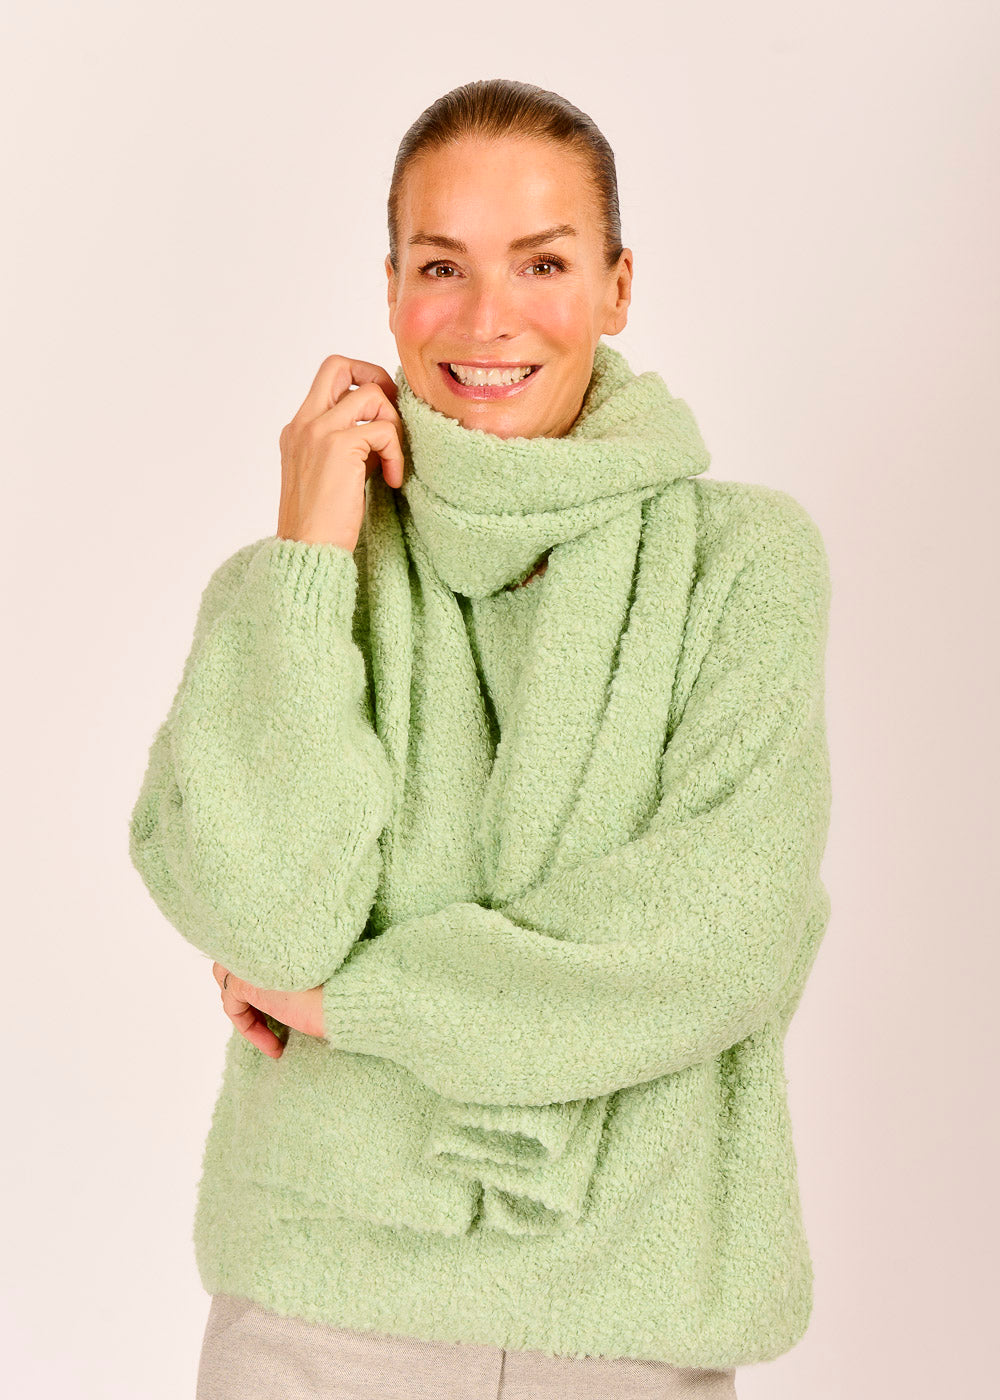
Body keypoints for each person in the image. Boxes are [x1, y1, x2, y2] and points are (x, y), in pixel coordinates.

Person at [129, 78, 833, 1399]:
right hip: (315, 1311)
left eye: (543, 263)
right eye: (441, 264)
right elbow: (269, 917)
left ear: (618, 287)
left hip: (624, 1319)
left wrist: (354, 1003)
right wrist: (307, 558)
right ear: (392, 288)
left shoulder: (742, 565)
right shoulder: (293, 582)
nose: (487, 316)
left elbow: (719, 936)